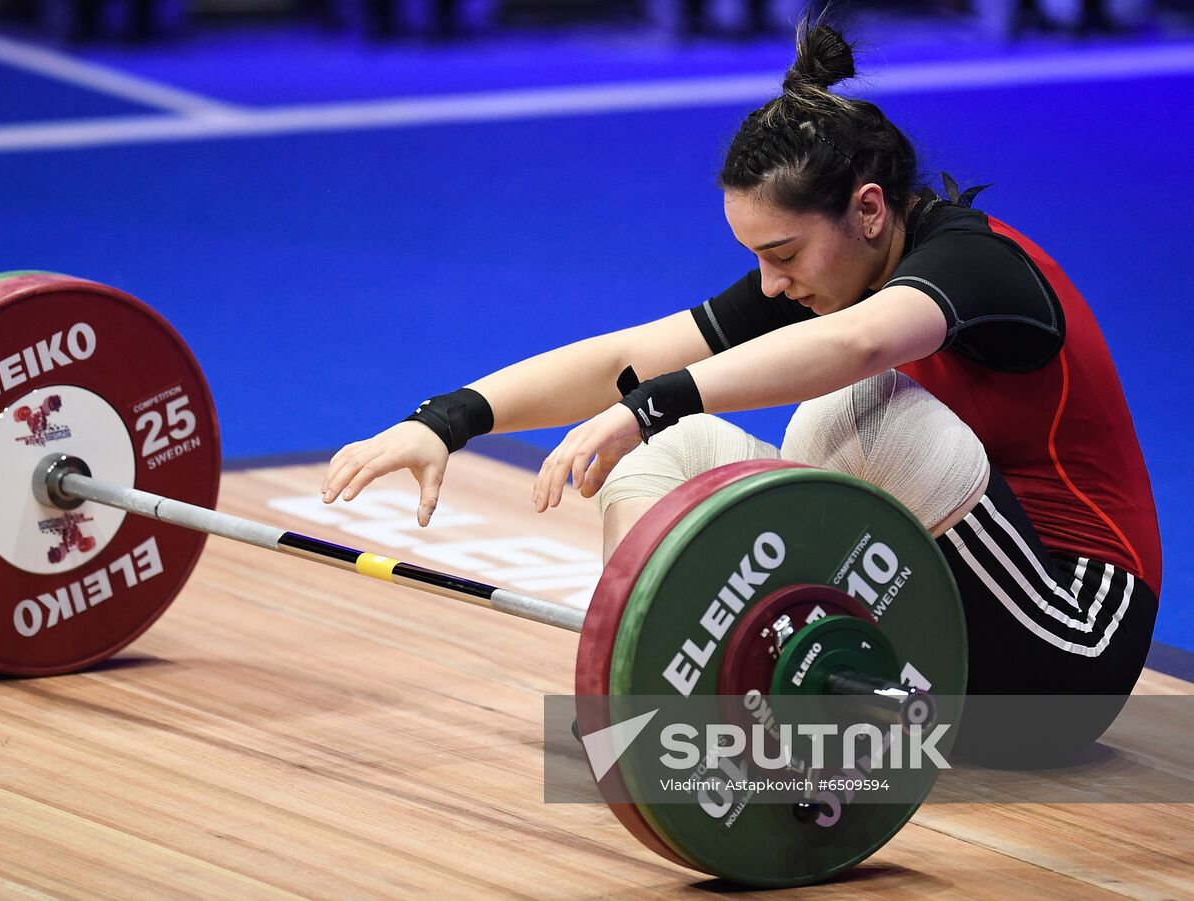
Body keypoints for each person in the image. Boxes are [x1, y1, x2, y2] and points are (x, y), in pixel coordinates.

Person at [321, 16, 1160, 764]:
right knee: (668, 453)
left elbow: (857, 344)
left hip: (1065, 655)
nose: (770, 282)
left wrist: (651, 400)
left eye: (785, 255)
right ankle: (640, 702)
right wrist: (447, 419)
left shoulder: (978, 264)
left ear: (870, 210)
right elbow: (630, 353)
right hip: (951, 658)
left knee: (852, 411)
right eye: (758, 256)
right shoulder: (823, 276)